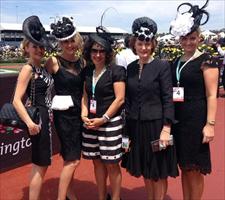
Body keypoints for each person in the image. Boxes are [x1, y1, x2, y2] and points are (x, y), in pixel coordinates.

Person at [121, 17, 178, 200]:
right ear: (134, 44)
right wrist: (126, 131)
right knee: (146, 168)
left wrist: (166, 128)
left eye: (147, 43)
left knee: (159, 171)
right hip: (136, 127)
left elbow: (168, 98)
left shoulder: (162, 66)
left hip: (157, 126)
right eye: (140, 43)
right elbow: (128, 99)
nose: (144, 48)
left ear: (152, 44)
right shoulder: (129, 68)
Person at [170, 0, 219, 199]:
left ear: (199, 38)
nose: (188, 42)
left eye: (192, 38)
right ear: (179, 39)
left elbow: (211, 94)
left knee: (195, 169)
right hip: (178, 120)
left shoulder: (207, 61)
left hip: (196, 120)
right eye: (184, 38)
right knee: (184, 167)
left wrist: (210, 124)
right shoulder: (175, 61)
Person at [81, 26, 126, 200]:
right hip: (90, 123)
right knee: (97, 163)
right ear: (89, 51)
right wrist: (83, 115)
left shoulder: (116, 71)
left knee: (112, 164)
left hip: (110, 123)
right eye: (94, 50)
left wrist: (104, 118)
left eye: (102, 51)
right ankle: (101, 197)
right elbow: (85, 96)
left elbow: (120, 99)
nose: (97, 54)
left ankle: (115, 198)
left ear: (107, 53)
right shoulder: (87, 71)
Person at [13, 16, 53, 200]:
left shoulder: (42, 68)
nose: (39, 49)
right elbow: (16, 100)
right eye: (35, 46)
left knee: (42, 164)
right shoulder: (28, 69)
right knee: (40, 164)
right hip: (37, 118)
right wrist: (30, 123)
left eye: (41, 46)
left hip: (45, 118)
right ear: (27, 47)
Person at [45, 17, 84, 200]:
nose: (69, 44)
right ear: (60, 42)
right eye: (65, 41)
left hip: (80, 116)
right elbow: (39, 83)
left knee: (71, 158)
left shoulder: (82, 62)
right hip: (64, 117)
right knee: (73, 160)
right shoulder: (53, 61)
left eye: (71, 40)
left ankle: (70, 194)